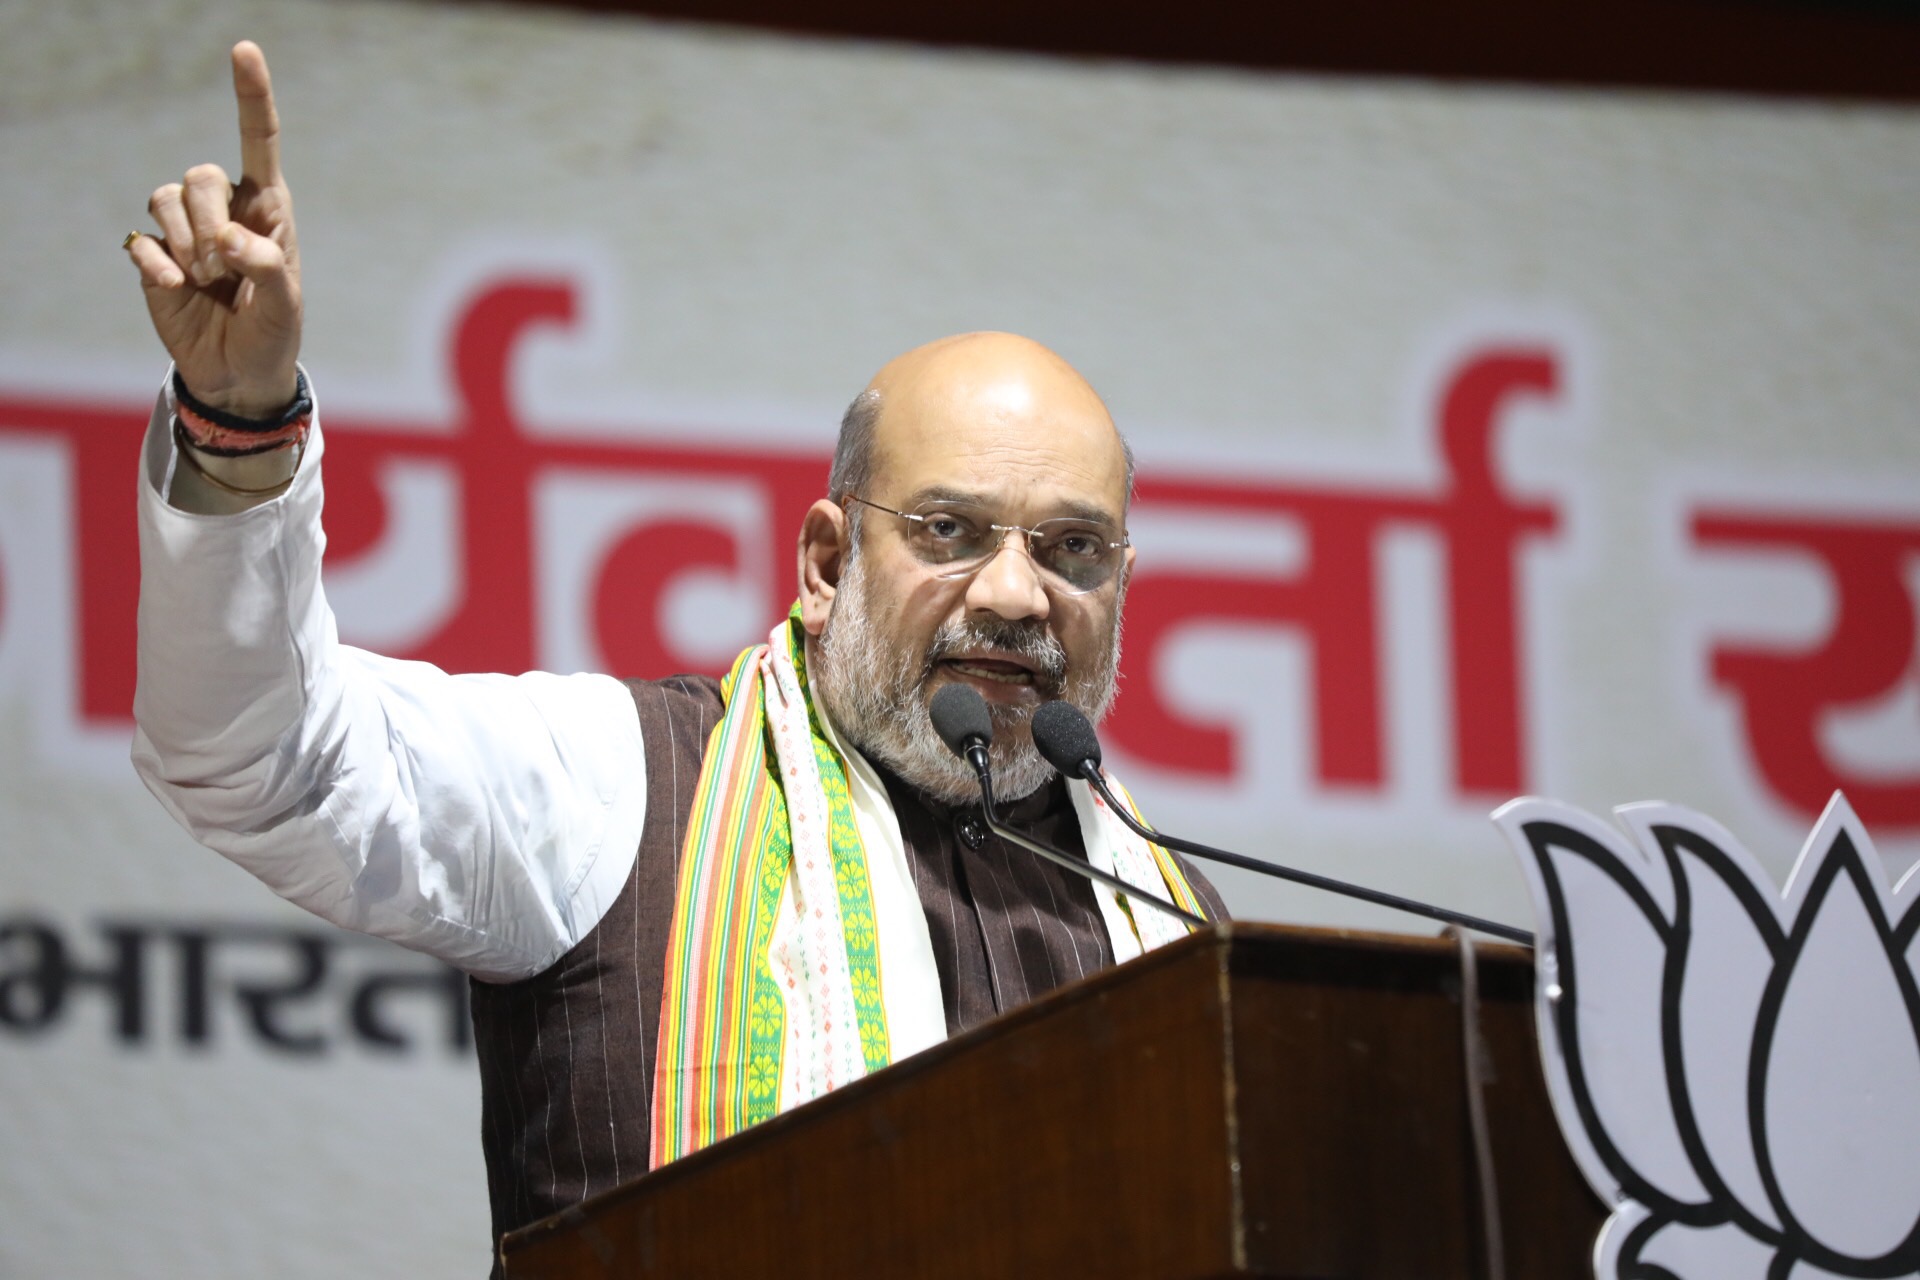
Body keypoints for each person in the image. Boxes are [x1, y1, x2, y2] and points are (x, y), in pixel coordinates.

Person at [123, 40, 1226, 1262]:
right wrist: (238, 433)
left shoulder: (1173, 919)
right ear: (824, 565)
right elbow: (261, 757)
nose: (1018, 594)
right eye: (950, 531)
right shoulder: (623, 783)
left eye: (1074, 549)